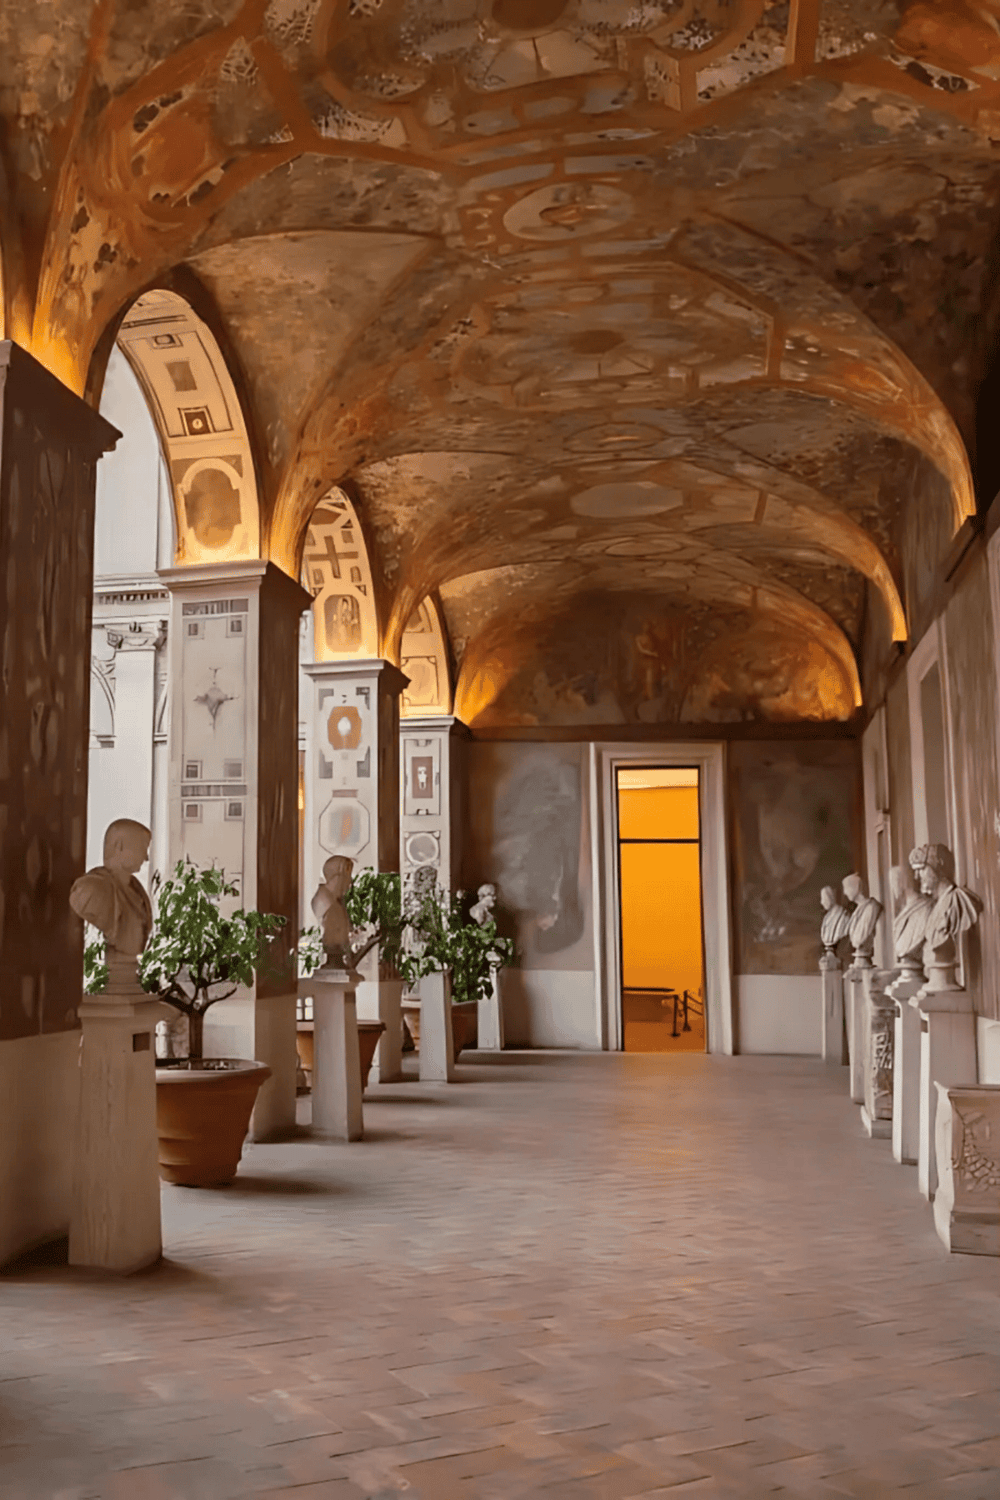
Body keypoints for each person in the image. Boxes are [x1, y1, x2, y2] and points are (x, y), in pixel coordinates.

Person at [69, 819, 153, 958]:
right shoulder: (91, 889)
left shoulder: (137, 890)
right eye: (141, 848)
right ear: (119, 846)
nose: (146, 857)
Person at [311, 855, 355, 968]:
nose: (350, 881)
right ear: (338, 877)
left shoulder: (338, 902)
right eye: (347, 876)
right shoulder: (325, 902)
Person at [889, 863, 932, 970]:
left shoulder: (924, 909)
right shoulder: (905, 910)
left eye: (893, 882)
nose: (892, 888)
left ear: (902, 882)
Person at [842, 872, 882, 961]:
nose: (845, 892)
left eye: (846, 888)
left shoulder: (871, 907)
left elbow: (859, 939)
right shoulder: (858, 910)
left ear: (855, 888)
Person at [819, 884, 851, 954]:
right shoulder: (826, 917)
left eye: (824, 899)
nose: (822, 902)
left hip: (840, 953)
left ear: (830, 897)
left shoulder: (844, 915)